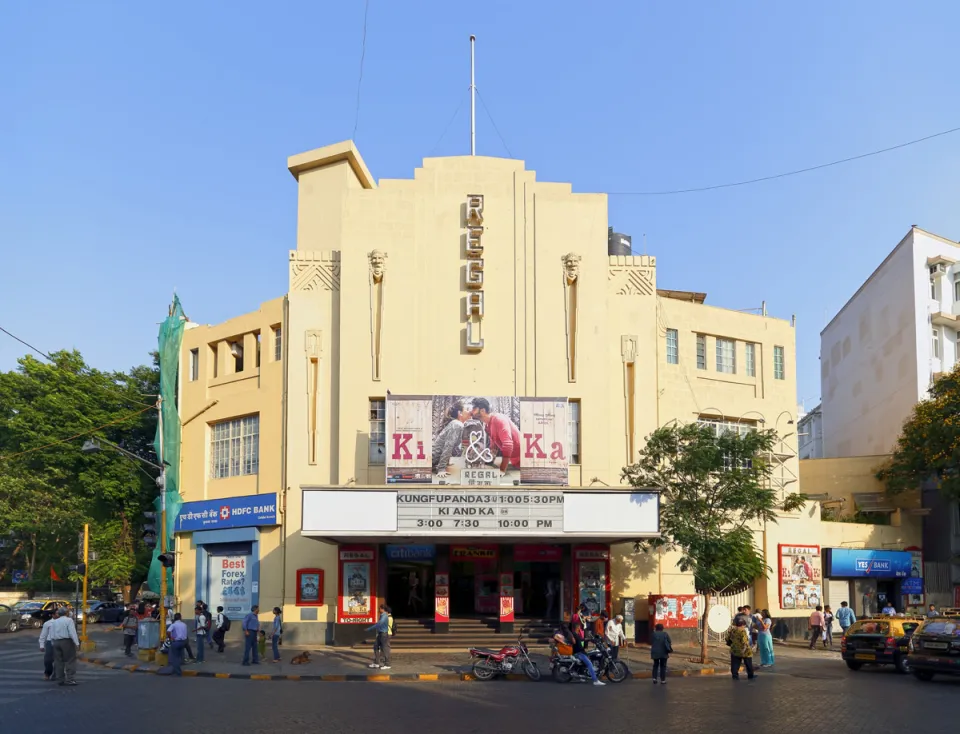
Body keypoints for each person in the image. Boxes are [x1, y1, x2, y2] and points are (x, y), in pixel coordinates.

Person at [472, 398, 521, 475]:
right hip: (515, 462)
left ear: (482, 411)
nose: (472, 411)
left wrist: (502, 469)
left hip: (525, 461)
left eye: (474, 408)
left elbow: (508, 445)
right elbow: (494, 445)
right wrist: (490, 461)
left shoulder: (498, 419)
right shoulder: (487, 424)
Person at [432, 402, 469, 476]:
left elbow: (448, 444)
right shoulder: (457, 424)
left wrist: (446, 463)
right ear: (460, 413)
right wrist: (441, 469)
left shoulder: (456, 424)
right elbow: (448, 446)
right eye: (467, 409)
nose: (469, 411)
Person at [49, 607, 80, 686]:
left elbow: (51, 633)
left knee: (58, 661)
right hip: (66, 641)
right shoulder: (69, 620)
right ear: (66, 613)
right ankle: (70, 679)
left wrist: (53, 642)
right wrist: (77, 643)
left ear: (59, 614)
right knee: (70, 660)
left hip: (56, 642)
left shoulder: (54, 622)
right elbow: (72, 632)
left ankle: (60, 679)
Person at [366, 603, 392, 670]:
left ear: (382, 609)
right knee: (375, 647)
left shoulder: (384, 616)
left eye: (379, 608)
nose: (379, 609)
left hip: (384, 634)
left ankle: (387, 664)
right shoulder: (382, 615)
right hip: (380, 633)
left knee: (385, 649)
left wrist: (369, 629)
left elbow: (379, 624)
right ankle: (377, 663)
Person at [38, 615, 56, 680]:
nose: (58, 615)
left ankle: (57, 674)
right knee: (48, 660)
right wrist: (41, 645)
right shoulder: (48, 623)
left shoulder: (65, 622)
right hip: (50, 642)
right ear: (53, 615)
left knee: (59, 660)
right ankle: (47, 673)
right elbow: (43, 634)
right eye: (57, 613)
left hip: (61, 641)